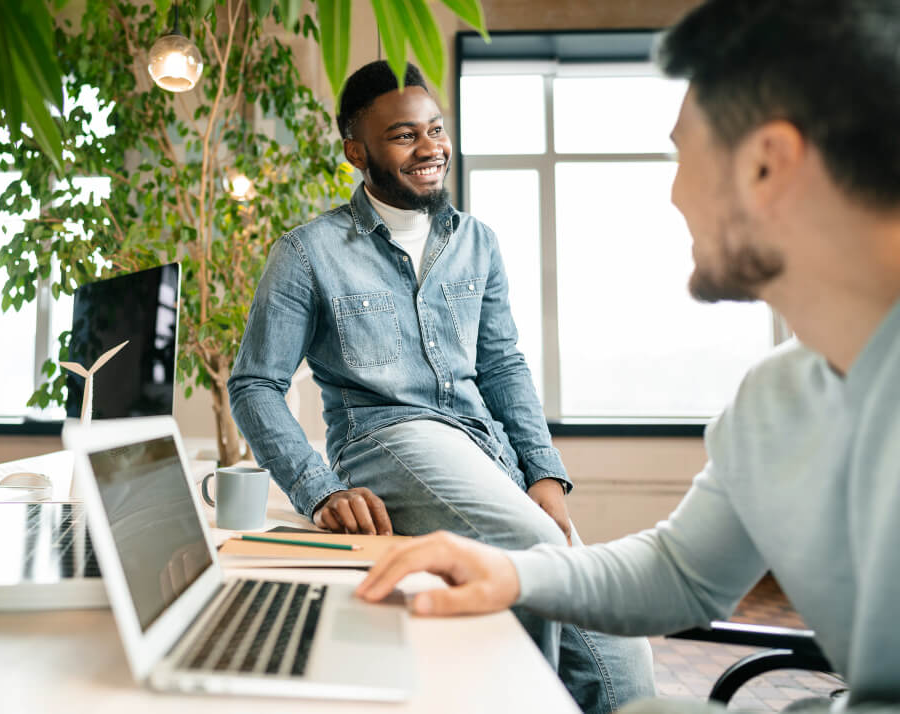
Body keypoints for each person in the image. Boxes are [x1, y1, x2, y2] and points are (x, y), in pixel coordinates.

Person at [356, 0, 900, 710]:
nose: (673, 195)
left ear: (769, 165)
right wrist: (513, 574)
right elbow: (680, 572)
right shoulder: (777, 401)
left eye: (684, 155)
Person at [229, 61, 654, 712]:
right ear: (356, 151)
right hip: (387, 439)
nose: (430, 147)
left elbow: (503, 365)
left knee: (618, 620)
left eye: (435, 129)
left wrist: (543, 472)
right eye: (403, 136)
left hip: (484, 449)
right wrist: (319, 491)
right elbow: (255, 383)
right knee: (541, 557)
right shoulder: (307, 251)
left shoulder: (477, 242)